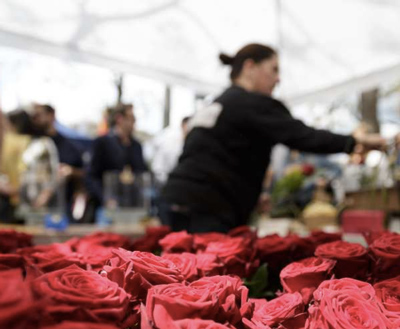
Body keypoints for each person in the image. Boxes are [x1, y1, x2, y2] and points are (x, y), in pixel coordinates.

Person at [160, 43, 386, 233]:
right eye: (273, 69)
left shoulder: (218, 104)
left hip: (174, 201)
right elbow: (302, 135)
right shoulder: (252, 103)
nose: (277, 79)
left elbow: (219, 156)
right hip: (207, 210)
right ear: (250, 67)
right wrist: (354, 142)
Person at [85, 103, 148, 216]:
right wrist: (105, 198)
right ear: (120, 119)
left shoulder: (136, 146)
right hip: (107, 207)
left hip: (133, 205)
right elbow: (91, 176)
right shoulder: (102, 143)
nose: (134, 122)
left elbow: (141, 172)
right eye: (131, 118)